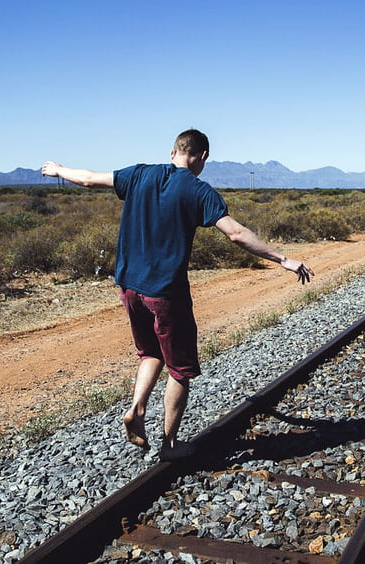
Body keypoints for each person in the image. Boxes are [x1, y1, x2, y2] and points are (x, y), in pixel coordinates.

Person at [41, 129, 313, 460]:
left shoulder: (140, 174)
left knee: (149, 353)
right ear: (202, 157)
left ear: (173, 152)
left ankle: (137, 409)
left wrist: (57, 169)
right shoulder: (199, 191)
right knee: (180, 369)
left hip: (129, 287)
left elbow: (86, 179)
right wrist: (283, 259)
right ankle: (170, 446)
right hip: (166, 292)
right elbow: (237, 234)